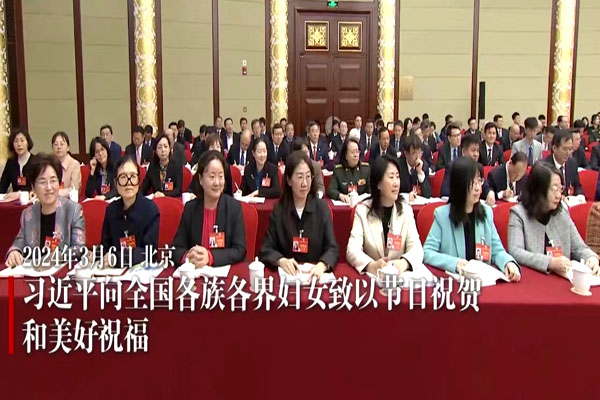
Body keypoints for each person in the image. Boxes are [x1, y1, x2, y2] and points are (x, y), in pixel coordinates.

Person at [423, 157, 521, 281]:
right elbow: (427, 252)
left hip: (483, 283)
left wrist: (508, 262)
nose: (478, 188)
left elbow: (497, 250)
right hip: (456, 283)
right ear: (460, 184)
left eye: (479, 181)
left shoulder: (486, 213)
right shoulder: (442, 216)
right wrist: (455, 263)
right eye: (472, 182)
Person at [508, 162, 599, 275]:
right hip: (533, 279)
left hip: (563, 279)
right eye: (554, 189)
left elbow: (579, 247)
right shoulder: (518, 214)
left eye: (560, 189)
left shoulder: (562, 213)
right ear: (539, 190)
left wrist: (591, 258)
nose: (559, 195)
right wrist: (549, 263)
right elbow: (516, 252)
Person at [259, 151, 338, 277]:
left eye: (308, 177)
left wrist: (322, 265)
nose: (304, 183)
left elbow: (332, 248)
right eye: (300, 177)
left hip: (314, 277)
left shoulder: (322, 209)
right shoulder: (279, 209)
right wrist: (281, 260)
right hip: (288, 277)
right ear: (289, 180)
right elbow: (266, 249)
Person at [346, 155, 424, 274]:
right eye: (391, 177)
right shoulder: (362, 211)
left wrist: (404, 263)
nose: (396, 183)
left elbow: (417, 249)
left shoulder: (406, 211)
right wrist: (371, 265)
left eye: (397, 177)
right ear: (378, 183)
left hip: (398, 278)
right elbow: (352, 250)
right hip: (372, 278)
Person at [5, 154, 85, 267]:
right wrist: (14, 252)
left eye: (53, 181)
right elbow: (19, 242)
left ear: (59, 183)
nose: (48, 187)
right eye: (42, 182)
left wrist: (58, 256)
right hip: (33, 273)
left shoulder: (73, 210)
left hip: (61, 273)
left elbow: (79, 249)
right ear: (33, 187)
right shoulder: (28, 214)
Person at [172, 151, 246, 267]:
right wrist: (188, 257)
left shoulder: (233, 208)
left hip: (221, 274)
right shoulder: (190, 208)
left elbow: (239, 250)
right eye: (212, 177)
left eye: (221, 176)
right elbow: (176, 249)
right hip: (195, 273)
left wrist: (210, 257)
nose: (217, 183)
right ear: (201, 179)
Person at [100, 155, 159, 267]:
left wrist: (118, 258)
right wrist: (95, 255)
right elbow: (105, 247)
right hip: (113, 272)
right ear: (115, 183)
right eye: (123, 177)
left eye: (133, 176)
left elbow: (150, 253)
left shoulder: (151, 210)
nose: (128, 182)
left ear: (139, 180)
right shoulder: (111, 210)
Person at [441, 134, 495, 205]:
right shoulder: (453, 167)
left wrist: (490, 193)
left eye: (477, 151)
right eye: (473, 150)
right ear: (463, 152)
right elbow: (445, 194)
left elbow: (485, 187)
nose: (476, 154)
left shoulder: (478, 167)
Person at [327, 138, 370, 202]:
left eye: (357, 152)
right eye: (352, 152)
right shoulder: (338, 170)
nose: (356, 155)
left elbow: (370, 190)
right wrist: (340, 196)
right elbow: (331, 190)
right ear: (346, 155)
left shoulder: (365, 169)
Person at [141, 133, 183, 198]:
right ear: (156, 151)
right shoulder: (153, 166)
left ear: (169, 149)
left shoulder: (176, 165)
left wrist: (164, 195)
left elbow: (178, 190)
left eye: (165, 147)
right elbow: (144, 187)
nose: (163, 150)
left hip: (171, 200)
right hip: (156, 201)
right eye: (159, 147)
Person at [542, 129, 583, 196]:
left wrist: (580, 196)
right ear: (554, 148)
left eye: (570, 149)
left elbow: (577, 187)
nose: (568, 153)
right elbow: (541, 194)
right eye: (565, 149)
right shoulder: (544, 167)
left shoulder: (572, 163)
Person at [0, 128, 35, 197]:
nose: (19, 144)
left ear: (28, 142)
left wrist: (20, 194)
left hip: (32, 201)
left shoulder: (35, 161)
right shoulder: (10, 163)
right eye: (16, 141)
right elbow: (2, 187)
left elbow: (39, 189)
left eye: (22, 140)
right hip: (14, 202)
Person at [398, 135, 431, 199]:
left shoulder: (424, 166)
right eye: (414, 153)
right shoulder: (398, 166)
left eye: (419, 153)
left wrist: (420, 173)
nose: (417, 157)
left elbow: (427, 194)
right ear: (406, 153)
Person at [51, 131, 81, 197]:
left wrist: (55, 193)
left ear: (68, 147)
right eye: (56, 144)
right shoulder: (49, 165)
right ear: (52, 148)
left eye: (62, 144)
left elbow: (74, 190)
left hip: (68, 201)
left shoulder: (75, 164)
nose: (59, 147)